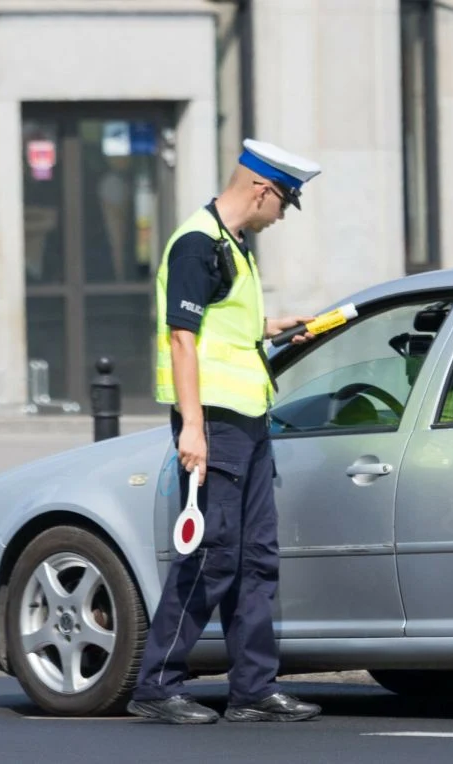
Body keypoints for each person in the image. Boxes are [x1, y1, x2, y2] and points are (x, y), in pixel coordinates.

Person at [126, 138, 323, 725]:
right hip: (212, 420)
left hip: (247, 418)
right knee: (212, 555)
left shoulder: (232, 247)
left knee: (257, 557)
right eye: (284, 201)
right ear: (261, 189)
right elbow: (182, 338)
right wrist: (192, 429)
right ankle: (157, 685)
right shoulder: (197, 243)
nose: (282, 214)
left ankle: (253, 690)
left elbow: (218, 327)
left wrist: (270, 328)